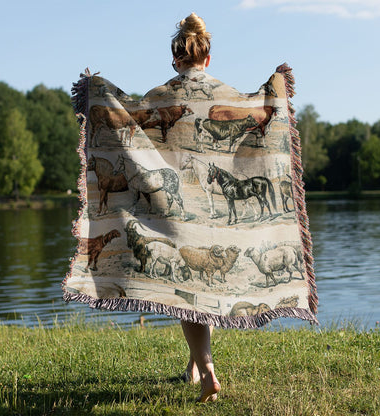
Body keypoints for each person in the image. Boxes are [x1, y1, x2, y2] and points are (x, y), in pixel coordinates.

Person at [168, 13, 220, 403]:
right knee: (208, 289)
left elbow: (126, 125)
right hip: (216, 206)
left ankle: (208, 373)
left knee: (187, 295)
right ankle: (193, 366)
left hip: (179, 208)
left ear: (176, 59)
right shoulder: (225, 94)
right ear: (207, 58)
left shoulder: (163, 95)